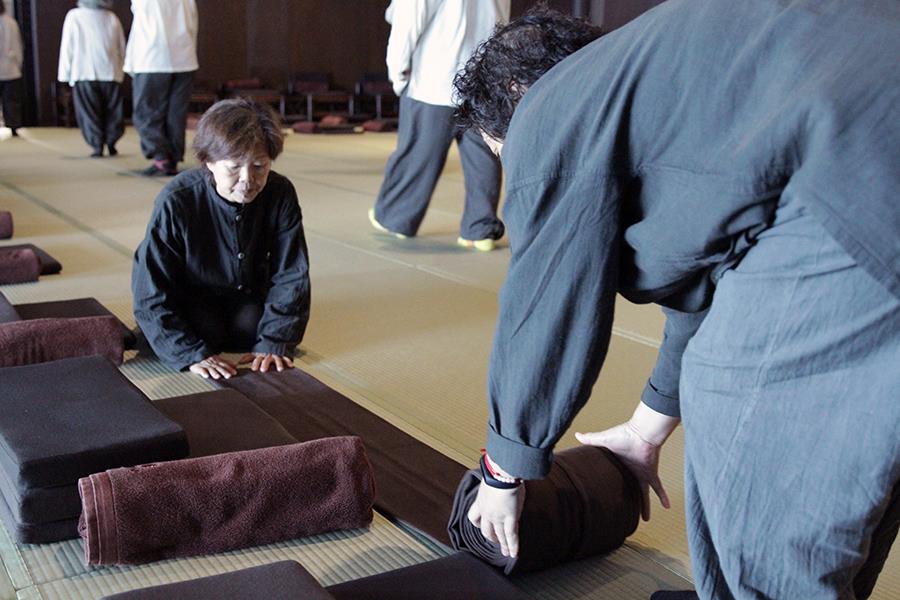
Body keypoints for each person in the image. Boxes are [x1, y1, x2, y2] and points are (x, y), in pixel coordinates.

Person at [454, 3, 899, 599]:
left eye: (500, 153)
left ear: (515, 94)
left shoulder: (551, 107)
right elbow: (711, 281)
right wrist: (645, 430)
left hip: (857, 178)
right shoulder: (672, 74)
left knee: (738, 415)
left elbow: (545, 302)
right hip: (861, 161)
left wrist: (503, 471)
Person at [132, 99, 311, 380]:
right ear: (209, 161)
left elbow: (291, 272)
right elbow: (151, 289)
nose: (247, 179)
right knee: (203, 331)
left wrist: (275, 341)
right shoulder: (177, 199)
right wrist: (188, 353)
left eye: (259, 166)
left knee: (250, 329)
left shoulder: (280, 193)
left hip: (244, 294)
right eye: (234, 167)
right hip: (189, 297)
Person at [368, 0, 510, 252]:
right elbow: (502, 24)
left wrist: (397, 74)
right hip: (483, 79)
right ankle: (480, 230)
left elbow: (408, 22)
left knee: (419, 154)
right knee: (483, 158)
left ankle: (396, 218)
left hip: (435, 79)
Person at [124, 0, 198, 176]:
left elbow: (140, 26)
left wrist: (130, 63)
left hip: (152, 58)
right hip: (184, 58)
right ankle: (172, 159)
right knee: (176, 114)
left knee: (147, 112)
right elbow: (193, 24)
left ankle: (161, 158)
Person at [57, 0, 126, 157]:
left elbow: (67, 47)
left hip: (84, 72)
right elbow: (121, 46)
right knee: (112, 111)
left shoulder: (74, 16)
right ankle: (111, 142)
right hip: (110, 72)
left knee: (89, 112)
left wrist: (64, 75)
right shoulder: (111, 17)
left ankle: (97, 145)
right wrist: (122, 69)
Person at [0, 0, 23, 137]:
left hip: (8, 67)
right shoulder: (12, 23)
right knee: (12, 100)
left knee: (11, 100)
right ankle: (13, 126)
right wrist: (19, 64)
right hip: (12, 68)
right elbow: (18, 47)